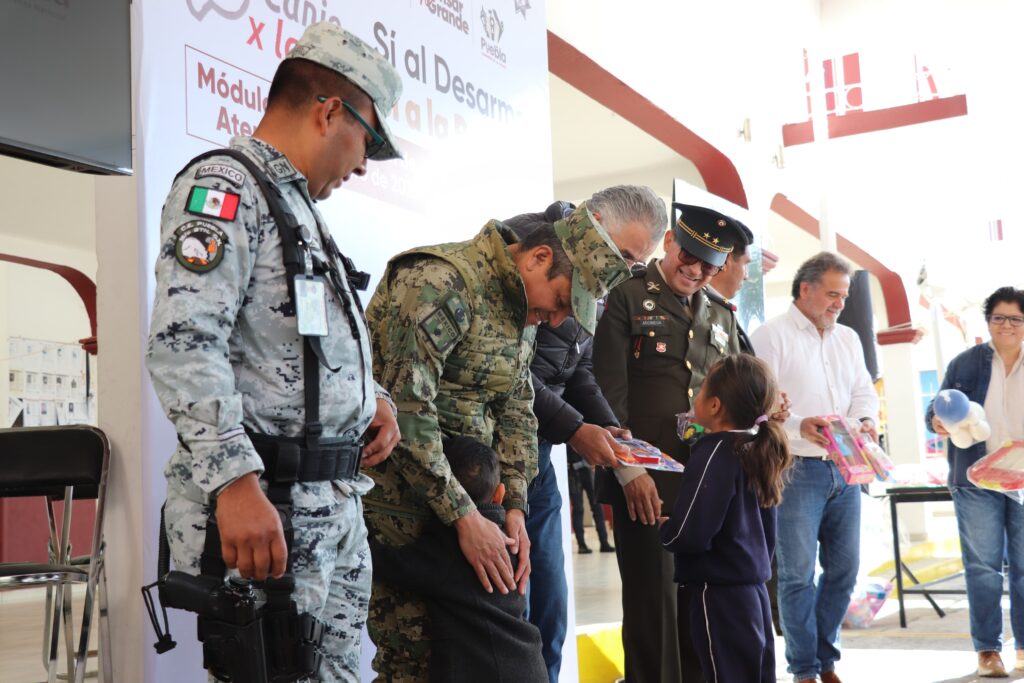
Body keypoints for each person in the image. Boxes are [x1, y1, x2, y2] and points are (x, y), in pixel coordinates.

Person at [146, 22, 403, 682]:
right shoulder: (227, 189)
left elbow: (292, 343)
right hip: (273, 513)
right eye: (369, 140)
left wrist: (371, 401)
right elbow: (184, 342)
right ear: (329, 113)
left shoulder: (297, 207)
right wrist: (234, 481)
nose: (365, 163)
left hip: (330, 510)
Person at [364, 203, 631, 681]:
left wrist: (515, 509)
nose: (555, 321)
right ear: (538, 258)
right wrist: (463, 516)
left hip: (479, 508)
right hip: (406, 513)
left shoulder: (521, 309)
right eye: (563, 300)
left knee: (474, 663)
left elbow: (517, 410)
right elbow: (407, 409)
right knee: (415, 666)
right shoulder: (438, 282)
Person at [502, 186, 667, 681]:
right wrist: (579, 431)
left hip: (540, 461)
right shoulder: (524, 254)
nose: (624, 269)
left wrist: (612, 434)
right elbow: (508, 374)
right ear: (593, 221)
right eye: (625, 254)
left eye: (635, 264)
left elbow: (578, 372)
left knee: (550, 613)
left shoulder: (593, 283)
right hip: (494, 462)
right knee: (511, 616)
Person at [592, 202, 747, 683]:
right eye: (690, 256)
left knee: (703, 604)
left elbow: (737, 399)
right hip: (646, 483)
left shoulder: (721, 314)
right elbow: (607, 398)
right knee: (652, 609)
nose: (696, 270)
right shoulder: (627, 297)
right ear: (670, 245)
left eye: (709, 265)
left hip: (707, 484)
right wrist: (628, 471)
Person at [750, 251, 879, 683]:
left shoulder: (848, 339)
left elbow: (864, 390)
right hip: (795, 469)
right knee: (797, 575)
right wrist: (799, 423)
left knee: (844, 570)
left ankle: (825, 658)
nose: (839, 304)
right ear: (805, 290)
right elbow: (758, 406)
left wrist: (865, 421)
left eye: (843, 296)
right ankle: (805, 668)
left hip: (846, 468)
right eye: (831, 294)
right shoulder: (770, 336)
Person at [369, 436, 547, 683]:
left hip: (479, 673)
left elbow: (383, 562)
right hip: (529, 666)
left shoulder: (443, 550)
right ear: (500, 494)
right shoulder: (513, 541)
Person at [659, 353, 792, 683]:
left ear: (715, 405)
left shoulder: (713, 452)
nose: (698, 395)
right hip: (754, 592)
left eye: (702, 388)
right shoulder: (754, 448)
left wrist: (667, 531)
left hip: (718, 595)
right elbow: (768, 535)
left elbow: (691, 531)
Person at [926, 286, 1024, 678]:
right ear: (988, 321)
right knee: (982, 567)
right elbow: (938, 408)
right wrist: (935, 421)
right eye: (999, 317)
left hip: (1022, 477)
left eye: (1016, 319)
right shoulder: (965, 363)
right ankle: (988, 651)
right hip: (975, 478)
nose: (1007, 325)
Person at [567, 449, 613, 553]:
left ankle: (604, 543)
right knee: (578, 509)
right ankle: (582, 545)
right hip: (573, 472)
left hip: (588, 472)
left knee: (598, 508)